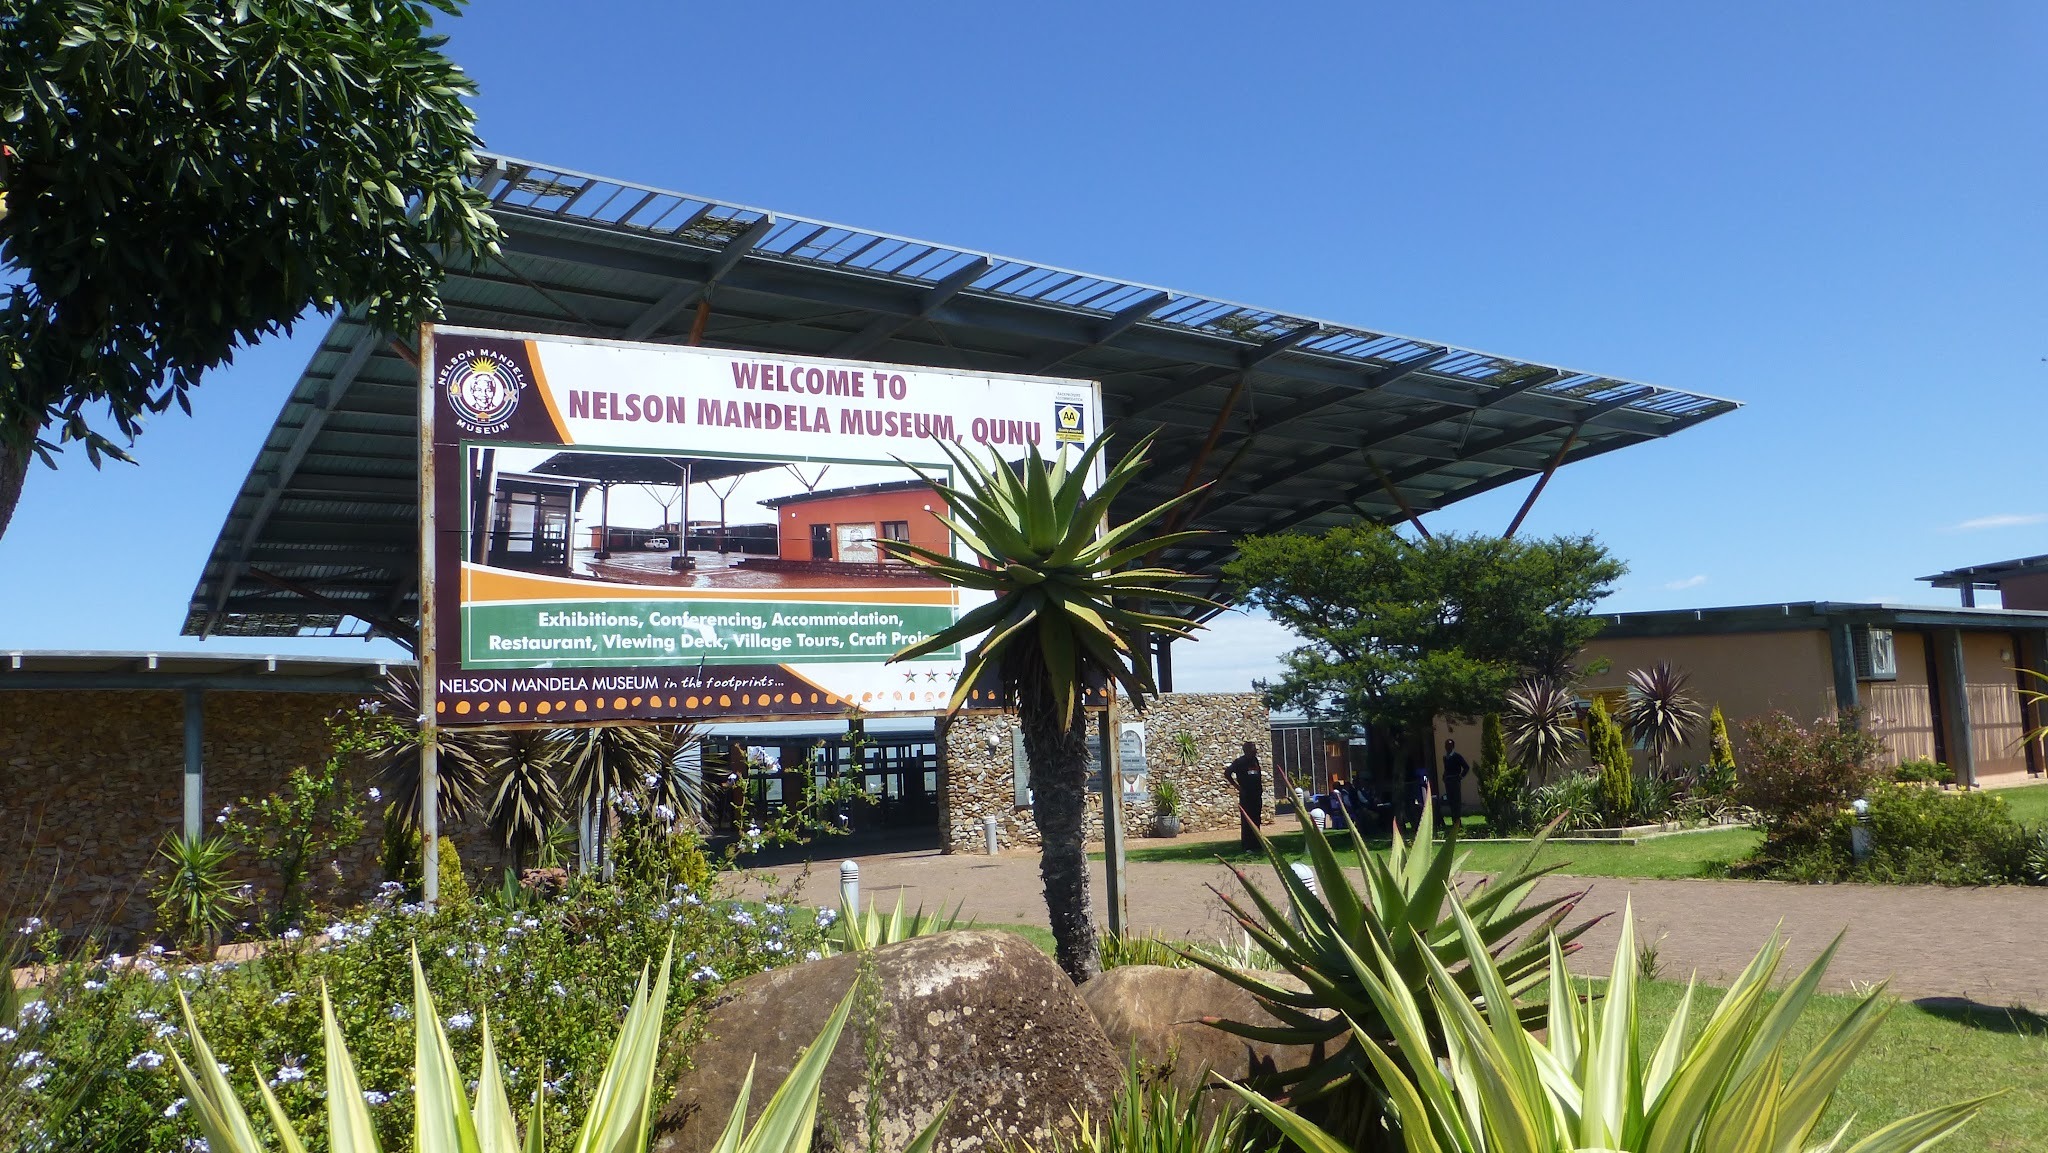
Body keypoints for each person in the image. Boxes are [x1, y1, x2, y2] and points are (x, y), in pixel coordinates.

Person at [1223, 741, 1264, 851]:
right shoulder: (1239, 762)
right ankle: (1247, 846)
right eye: (1253, 749)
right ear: (1247, 750)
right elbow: (1227, 773)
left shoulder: (1255, 761)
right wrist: (1237, 787)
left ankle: (1257, 844)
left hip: (1256, 795)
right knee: (1247, 821)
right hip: (1246, 796)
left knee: (1256, 819)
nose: (1255, 751)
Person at [1440, 738, 1471, 829]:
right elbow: (1446, 769)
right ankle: (1454, 821)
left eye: (1449, 745)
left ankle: (1458, 821)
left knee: (1456, 801)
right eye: (1446, 745)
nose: (1447, 747)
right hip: (1448, 781)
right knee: (1451, 802)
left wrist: (1460, 776)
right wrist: (1444, 776)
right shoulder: (1445, 757)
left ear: (1453, 746)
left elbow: (1466, 767)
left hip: (1455, 781)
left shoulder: (1457, 756)